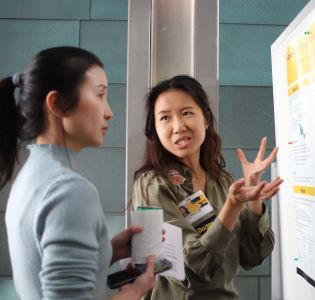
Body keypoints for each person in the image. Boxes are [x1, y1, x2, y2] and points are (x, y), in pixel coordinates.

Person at [0, 46, 155, 300]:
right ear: (56, 103)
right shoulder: (68, 189)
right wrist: (138, 290)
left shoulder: (31, 177)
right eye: (100, 94)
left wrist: (108, 249)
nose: (109, 111)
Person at [131, 75, 283, 299]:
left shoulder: (221, 179)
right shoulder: (152, 184)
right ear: (154, 129)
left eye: (186, 113)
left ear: (206, 119)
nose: (178, 126)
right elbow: (191, 270)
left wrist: (252, 196)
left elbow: (252, 256)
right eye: (165, 117)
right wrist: (232, 205)